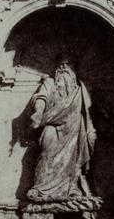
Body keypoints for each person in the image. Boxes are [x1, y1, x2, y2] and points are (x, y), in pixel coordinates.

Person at [26, 54, 97, 201]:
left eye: (67, 64)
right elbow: (40, 97)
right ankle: (40, 187)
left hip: (75, 129)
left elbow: (91, 110)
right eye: (60, 65)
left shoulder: (81, 89)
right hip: (52, 125)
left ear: (75, 68)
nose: (63, 68)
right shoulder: (50, 83)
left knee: (75, 157)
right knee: (46, 152)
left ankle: (72, 188)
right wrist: (38, 112)